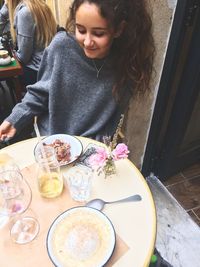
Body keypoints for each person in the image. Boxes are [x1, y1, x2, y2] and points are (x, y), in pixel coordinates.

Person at [0, 0, 154, 142]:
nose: (87, 42)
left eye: (98, 33)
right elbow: (39, 93)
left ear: (119, 29)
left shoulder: (128, 64)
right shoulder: (61, 47)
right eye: (80, 30)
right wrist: (15, 119)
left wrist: (99, 148)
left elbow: (115, 120)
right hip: (50, 142)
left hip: (91, 150)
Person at [0, 0, 57, 86]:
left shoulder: (24, 12)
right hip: (50, 67)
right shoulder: (40, 5)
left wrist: (12, 54)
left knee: (8, 74)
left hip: (36, 71)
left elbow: (23, 57)